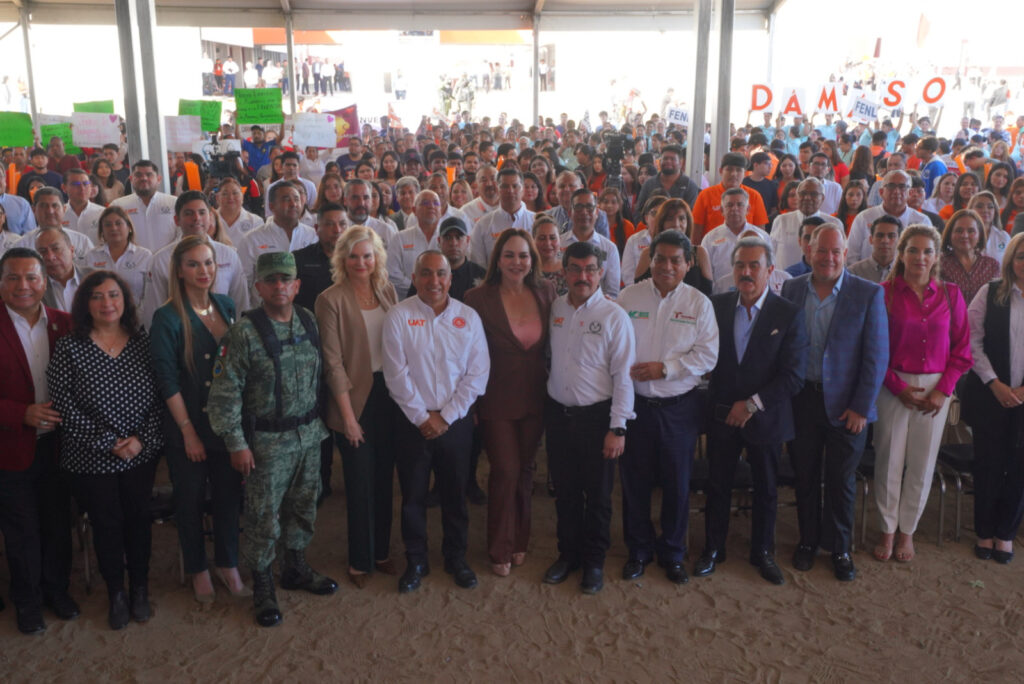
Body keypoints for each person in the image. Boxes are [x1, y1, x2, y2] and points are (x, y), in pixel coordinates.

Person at [208, 252, 338, 628]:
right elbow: (224, 394)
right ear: (259, 286)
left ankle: (295, 567)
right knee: (263, 517)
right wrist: (236, 443)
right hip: (266, 443)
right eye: (272, 281)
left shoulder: (309, 321)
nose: (280, 287)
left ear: (297, 285)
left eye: (287, 280)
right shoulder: (243, 334)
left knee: (303, 508)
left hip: (309, 436)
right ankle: (263, 586)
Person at [47, 270, 164, 630]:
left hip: (139, 453)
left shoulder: (143, 343)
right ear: (85, 304)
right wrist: (107, 442)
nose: (107, 303)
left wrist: (141, 439)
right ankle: (116, 592)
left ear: (125, 301)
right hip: (89, 456)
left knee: (138, 519)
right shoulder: (69, 346)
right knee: (107, 523)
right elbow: (62, 403)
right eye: (97, 296)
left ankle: (139, 587)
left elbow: (163, 397)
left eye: (113, 295)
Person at [695, 237, 807, 585]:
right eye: (740, 265)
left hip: (766, 416)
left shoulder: (787, 313)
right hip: (723, 414)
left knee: (767, 488)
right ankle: (713, 548)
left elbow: (794, 376)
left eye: (754, 265)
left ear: (770, 270)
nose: (746, 272)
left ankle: (762, 552)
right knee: (718, 485)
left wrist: (753, 405)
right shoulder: (716, 306)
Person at [781, 225, 888, 582]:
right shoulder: (792, 288)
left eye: (835, 251)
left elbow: (876, 357)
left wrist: (861, 406)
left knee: (841, 479)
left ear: (846, 254)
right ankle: (808, 541)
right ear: (808, 251)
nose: (828, 258)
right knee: (806, 476)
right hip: (802, 401)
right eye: (821, 250)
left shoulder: (868, 294)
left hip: (848, 407)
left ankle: (839, 548)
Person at [382, 250, 490, 593]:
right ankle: (416, 559)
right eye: (426, 274)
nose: (434, 281)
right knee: (413, 496)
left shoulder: (468, 318)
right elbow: (395, 373)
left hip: (454, 423)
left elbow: (478, 373)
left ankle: (456, 557)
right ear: (414, 279)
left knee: (455, 495)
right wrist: (421, 417)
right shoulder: (398, 316)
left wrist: (445, 417)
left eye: (441, 274)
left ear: (450, 278)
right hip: (411, 424)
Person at [616, 229, 718, 585]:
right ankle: (639, 550)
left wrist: (666, 368)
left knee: (678, 483)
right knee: (635, 482)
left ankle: (673, 552)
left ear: (688, 264)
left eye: (676, 260)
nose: (667, 266)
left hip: (679, 407)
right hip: (636, 406)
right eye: (660, 258)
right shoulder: (627, 297)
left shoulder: (698, 304)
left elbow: (707, 355)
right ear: (650, 260)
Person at [149, 235, 246, 603]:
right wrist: (188, 431)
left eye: (209, 263)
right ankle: (197, 568)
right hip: (186, 425)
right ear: (179, 270)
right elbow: (167, 379)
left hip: (226, 426)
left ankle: (228, 562)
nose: (203, 271)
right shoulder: (167, 316)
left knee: (227, 497)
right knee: (189, 500)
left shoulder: (226, 305)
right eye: (194, 264)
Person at [873, 225, 972, 563]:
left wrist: (942, 391)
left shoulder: (951, 294)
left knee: (922, 462)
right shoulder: (883, 293)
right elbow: (873, 349)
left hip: (936, 389)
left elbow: (962, 351)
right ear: (901, 254)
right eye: (913, 250)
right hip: (893, 387)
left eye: (927, 251)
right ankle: (886, 529)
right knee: (889, 461)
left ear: (936, 257)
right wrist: (898, 388)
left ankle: (907, 532)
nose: (920, 257)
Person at [543, 240, 635, 594]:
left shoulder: (614, 316)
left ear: (601, 273)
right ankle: (568, 555)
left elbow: (623, 376)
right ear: (564, 272)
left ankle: (593, 562)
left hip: (598, 419)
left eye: (590, 270)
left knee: (597, 495)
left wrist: (617, 427)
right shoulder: (555, 310)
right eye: (575, 269)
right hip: (559, 416)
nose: (583, 276)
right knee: (565, 492)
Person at [464, 230, 556, 577]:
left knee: (526, 469)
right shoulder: (477, 297)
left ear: (533, 260)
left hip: (536, 395)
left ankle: (520, 540)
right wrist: (470, 402)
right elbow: (466, 353)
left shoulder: (546, 292)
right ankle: (499, 547)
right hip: (494, 397)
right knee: (505, 470)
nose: (517, 262)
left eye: (523, 255)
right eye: (509, 255)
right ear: (497, 260)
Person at [315, 227, 400, 588]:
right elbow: (332, 363)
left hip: (389, 397)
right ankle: (359, 561)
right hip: (353, 399)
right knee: (359, 484)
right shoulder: (329, 299)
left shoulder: (387, 291)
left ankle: (380, 552)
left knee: (384, 481)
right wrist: (348, 419)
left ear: (377, 257)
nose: (361, 262)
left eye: (367, 255)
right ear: (342, 260)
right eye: (353, 256)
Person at [0, 247, 77, 634]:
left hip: (60, 446)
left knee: (57, 524)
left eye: (31, 277)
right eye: (13, 278)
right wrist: (19, 413)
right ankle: (27, 601)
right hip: (11, 448)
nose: (23, 286)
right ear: (1, 285)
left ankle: (56, 591)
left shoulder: (66, 323)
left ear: (44, 283)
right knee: (22, 529)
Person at [963, 233, 1024, 564]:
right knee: (988, 464)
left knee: (1019, 468)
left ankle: (1005, 534)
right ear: (1010, 259)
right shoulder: (991, 292)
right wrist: (995, 383)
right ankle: (984, 532)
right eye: (1021, 256)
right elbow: (971, 340)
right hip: (990, 395)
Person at [143, 191, 250, 327]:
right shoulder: (161, 259)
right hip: (179, 338)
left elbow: (241, 304)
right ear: (177, 220)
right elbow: (153, 311)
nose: (196, 218)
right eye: (188, 213)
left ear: (210, 217)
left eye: (202, 212)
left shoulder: (229, 255)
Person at [238, 182, 318, 298]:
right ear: (271, 206)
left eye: (296, 199)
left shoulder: (313, 236)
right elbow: (243, 286)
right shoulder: (251, 240)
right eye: (286, 199)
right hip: (263, 311)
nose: (293, 204)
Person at [848, 171, 930, 263]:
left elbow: (928, 257)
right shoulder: (864, 218)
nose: (896, 191)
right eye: (891, 186)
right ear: (881, 192)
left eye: (902, 187)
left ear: (909, 193)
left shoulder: (922, 221)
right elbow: (852, 257)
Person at [80, 207, 152, 306]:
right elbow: (86, 291)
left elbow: (150, 294)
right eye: (108, 225)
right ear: (102, 231)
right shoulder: (92, 256)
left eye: (118, 223)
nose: (113, 228)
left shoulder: (144, 256)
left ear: (129, 227)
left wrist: (138, 316)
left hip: (137, 317)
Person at [769, 178, 844, 271]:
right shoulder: (781, 221)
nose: (807, 198)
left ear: (822, 198)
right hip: (785, 281)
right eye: (803, 193)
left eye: (813, 194)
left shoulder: (834, 224)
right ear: (797, 196)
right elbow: (770, 254)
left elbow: (840, 256)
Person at [691, 153, 768, 241]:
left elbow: (760, 231)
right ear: (720, 171)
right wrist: (695, 254)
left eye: (739, 170)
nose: (733, 174)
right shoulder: (705, 195)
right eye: (729, 169)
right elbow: (696, 232)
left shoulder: (754, 196)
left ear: (745, 173)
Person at [701, 188, 771, 283]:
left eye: (740, 205)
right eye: (729, 205)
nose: (735, 209)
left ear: (748, 209)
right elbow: (705, 273)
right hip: (719, 293)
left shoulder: (762, 237)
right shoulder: (710, 238)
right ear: (721, 210)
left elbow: (769, 269)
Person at [469, 167, 535, 268]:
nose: (510, 191)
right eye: (504, 186)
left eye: (515, 186)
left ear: (523, 190)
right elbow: (478, 266)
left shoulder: (535, 221)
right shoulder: (483, 225)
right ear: (498, 189)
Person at [560, 188, 621, 296]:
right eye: (578, 207)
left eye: (589, 207)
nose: (584, 212)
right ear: (570, 212)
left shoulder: (609, 248)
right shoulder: (558, 243)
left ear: (597, 212)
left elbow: (612, 292)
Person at [110, 161, 178, 253]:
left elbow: (181, 234)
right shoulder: (118, 205)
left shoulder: (174, 203)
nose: (144, 178)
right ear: (131, 179)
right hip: (132, 263)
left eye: (149, 175)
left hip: (169, 262)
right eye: (138, 175)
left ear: (159, 179)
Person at [386, 190, 443, 298]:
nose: (431, 206)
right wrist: (419, 289)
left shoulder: (448, 239)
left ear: (441, 210)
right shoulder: (400, 238)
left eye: (436, 203)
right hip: (407, 302)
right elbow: (392, 274)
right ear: (414, 210)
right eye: (425, 203)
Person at [940, 209, 1001, 306]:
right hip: (949, 319)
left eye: (971, 231)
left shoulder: (992, 265)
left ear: (979, 235)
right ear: (950, 234)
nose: (964, 235)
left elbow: (996, 301)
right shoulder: (939, 264)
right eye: (959, 230)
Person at [634, 144, 699, 216]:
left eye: (672, 159)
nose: (668, 161)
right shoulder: (649, 184)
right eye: (665, 158)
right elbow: (639, 211)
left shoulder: (689, 185)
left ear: (680, 163)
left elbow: (691, 215)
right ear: (660, 162)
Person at [35, 227, 87, 313]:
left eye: (56, 249)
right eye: (43, 251)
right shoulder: (36, 287)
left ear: (71, 250)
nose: (50, 257)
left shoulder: (94, 277)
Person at [849, 215, 902, 283]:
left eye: (891, 236)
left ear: (900, 241)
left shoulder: (906, 272)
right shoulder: (854, 272)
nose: (885, 240)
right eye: (880, 235)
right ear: (871, 239)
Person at [61, 169, 104, 243]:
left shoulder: (102, 213)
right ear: (64, 188)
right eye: (76, 184)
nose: (82, 188)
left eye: (85, 183)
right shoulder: (58, 214)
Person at [533, 214, 568, 296]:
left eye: (552, 238)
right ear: (533, 240)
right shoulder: (527, 271)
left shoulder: (569, 271)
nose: (548, 243)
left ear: (560, 239)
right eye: (542, 238)